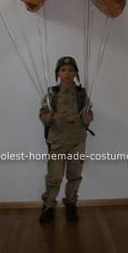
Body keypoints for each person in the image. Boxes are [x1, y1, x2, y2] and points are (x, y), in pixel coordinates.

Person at [39, 56, 93, 223]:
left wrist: (88, 118)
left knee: (75, 175)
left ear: (76, 73)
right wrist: (45, 117)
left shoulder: (82, 94)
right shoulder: (51, 93)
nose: (67, 73)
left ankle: (71, 203)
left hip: (77, 141)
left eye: (71, 70)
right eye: (63, 70)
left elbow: (90, 113)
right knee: (54, 176)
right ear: (58, 74)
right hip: (57, 142)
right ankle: (48, 206)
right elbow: (43, 112)